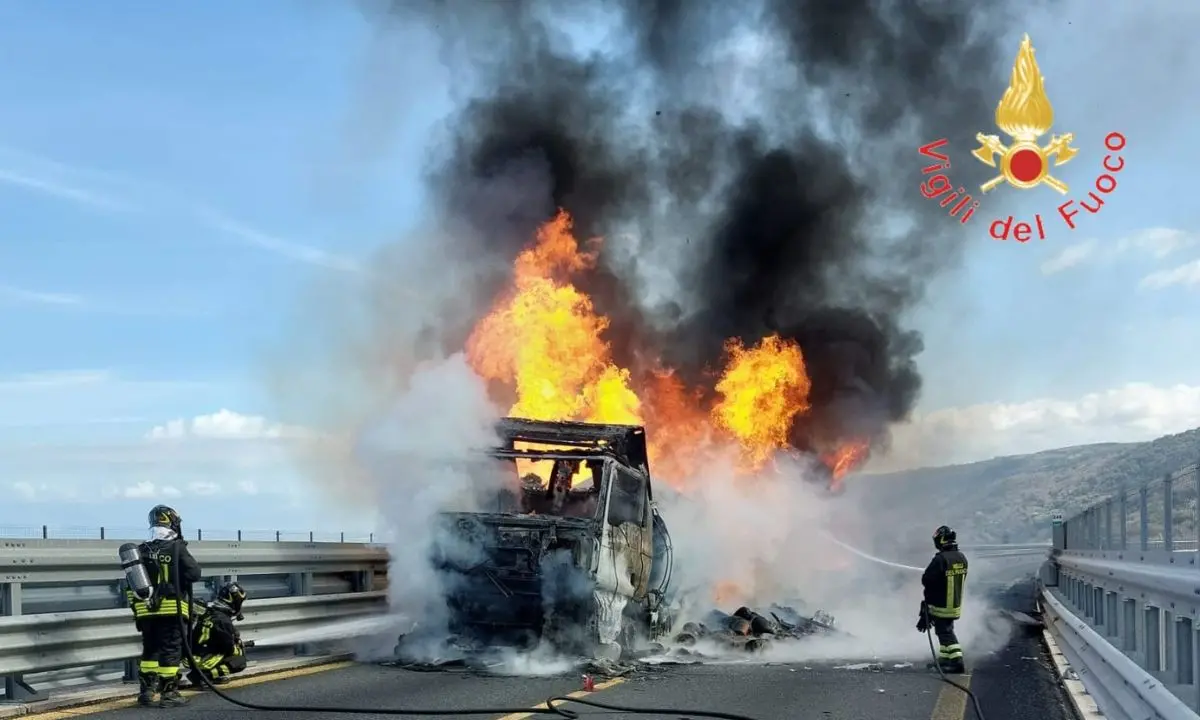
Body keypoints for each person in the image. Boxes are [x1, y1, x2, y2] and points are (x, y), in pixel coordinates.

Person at [126, 505, 203, 708]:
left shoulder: (141, 550)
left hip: (145, 610)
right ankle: (169, 693)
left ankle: (147, 692)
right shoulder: (176, 547)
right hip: (171, 609)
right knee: (170, 649)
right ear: (173, 522)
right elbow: (194, 573)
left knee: (150, 649)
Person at [917, 525, 968, 674]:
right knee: (944, 630)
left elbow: (927, 579)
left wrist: (927, 604)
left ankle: (957, 662)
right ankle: (945, 659)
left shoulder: (941, 559)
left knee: (945, 633)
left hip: (941, 603)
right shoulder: (961, 557)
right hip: (955, 603)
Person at [187, 581, 250, 688]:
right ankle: (204, 676)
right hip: (202, 659)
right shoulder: (223, 620)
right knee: (239, 661)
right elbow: (227, 648)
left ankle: (210, 675)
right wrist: (238, 646)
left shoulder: (211, 612)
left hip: (192, 656)